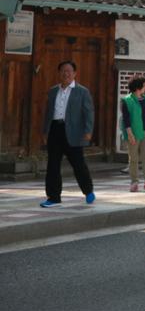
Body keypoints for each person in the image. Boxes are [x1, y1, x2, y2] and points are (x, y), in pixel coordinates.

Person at [41, 61, 95, 208]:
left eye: (69, 71)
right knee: (52, 165)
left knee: (78, 164)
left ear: (75, 74)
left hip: (74, 132)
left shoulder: (82, 91)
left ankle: (88, 190)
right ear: (59, 73)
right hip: (55, 130)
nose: (66, 74)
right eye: (63, 71)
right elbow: (48, 113)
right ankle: (53, 197)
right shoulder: (53, 91)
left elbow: (88, 113)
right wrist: (46, 131)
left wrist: (88, 131)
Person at [121, 75, 145, 192]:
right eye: (143, 86)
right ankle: (134, 182)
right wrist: (129, 134)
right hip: (134, 133)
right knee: (133, 158)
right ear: (137, 88)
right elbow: (126, 119)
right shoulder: (127, 100)